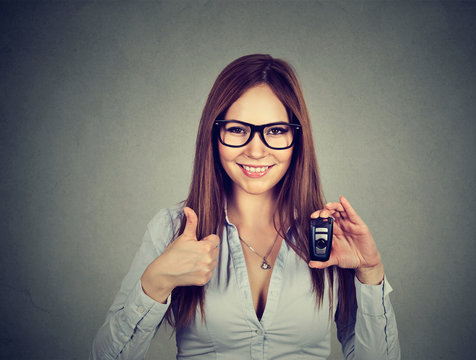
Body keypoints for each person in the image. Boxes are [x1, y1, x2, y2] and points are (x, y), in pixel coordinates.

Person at [90, 54, 400, 360]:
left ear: (296, 137)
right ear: (215, 134)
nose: (255, 150)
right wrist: (156, 282)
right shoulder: (171, 228)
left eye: (276, 130)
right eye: (238, 129)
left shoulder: (331, 235)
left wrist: (370, 272)